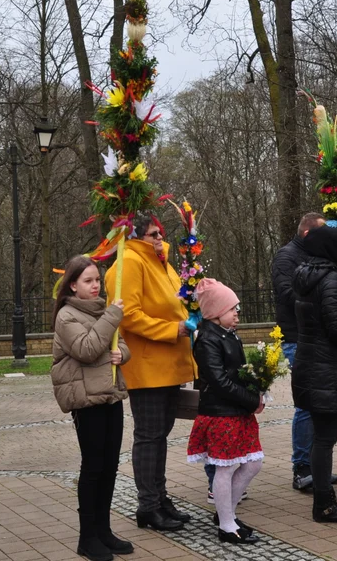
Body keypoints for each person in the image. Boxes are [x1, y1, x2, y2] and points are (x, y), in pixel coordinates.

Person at [104, 213, 193, 532]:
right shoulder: (128, 263)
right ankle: (148, 506)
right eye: (154, 234)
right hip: (147, 366)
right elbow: (129, 317)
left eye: (160, 233)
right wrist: (174, 329)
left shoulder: (161, 262)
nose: (160, 238)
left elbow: (175, 303)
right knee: (149, 437)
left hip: (168, 364)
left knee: (159, 437)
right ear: (137, 236)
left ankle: (159, 497)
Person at [50, 256, 132, 561]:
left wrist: (121, 355)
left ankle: (104, 531)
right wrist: (112, 317)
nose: (96, 285)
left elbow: (120, 345)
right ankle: (87, 537)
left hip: (109, 395)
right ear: (73, 285)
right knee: (93, 467)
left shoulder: (102, 311)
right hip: (87, 401)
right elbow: (86, 349)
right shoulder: (67, 316)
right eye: (88, 280)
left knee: (110, 465)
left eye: (98, 279)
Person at [186, 278, 264, 545]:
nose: (237, 313)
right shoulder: (207, 339)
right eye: (232, 308)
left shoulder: (228, 334)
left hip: (237, 411)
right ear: (216, 312)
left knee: (253, 463)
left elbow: (238, 374)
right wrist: (250, 400)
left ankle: (225, 514)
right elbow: (219, 382)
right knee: (226, 468)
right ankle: (226, 524)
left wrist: (258, 390)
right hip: (220, 413)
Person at [292, 225, 337, 523]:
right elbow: (336, 325)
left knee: (321, 437)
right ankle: (324, 504)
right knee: (325, 439)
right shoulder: (330, 278)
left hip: (309, 363)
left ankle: (323, 499)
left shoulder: (305, 276)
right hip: (327, 368)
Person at [272, 212, 337, 492]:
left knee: (318, 404)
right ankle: (302, 467)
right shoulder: (287, 257)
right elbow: (286, 294)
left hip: (314, 336)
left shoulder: (312, 257)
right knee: (306, 404)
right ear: (308, 234)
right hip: (297, 336)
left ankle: (317, 466)